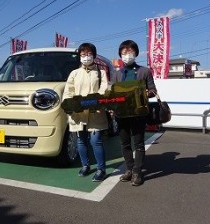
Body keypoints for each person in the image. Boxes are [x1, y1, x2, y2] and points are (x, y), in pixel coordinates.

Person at [111, 40, 157, 186]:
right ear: (120, 55)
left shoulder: (144, 71)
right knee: (124, 143)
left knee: (138, 143)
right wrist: (111, 104)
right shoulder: (117, 74)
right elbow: (113, 93)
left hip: (138, 113)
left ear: (136, 53)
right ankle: (129, 169)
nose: (127, 55)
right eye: (124, 52)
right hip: (121, 114)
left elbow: (153, 90)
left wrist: (144, 93)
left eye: (130, 52)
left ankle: (137, 171)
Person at [62, 42, 109, 182]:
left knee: (96, 141)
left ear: (94, 56)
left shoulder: (100, 73)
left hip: (95, 112)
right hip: (78, 113)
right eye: (83, 54)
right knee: (81, 141)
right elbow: (68, 91)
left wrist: (94, 101)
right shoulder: (74, 73)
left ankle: (101, 169)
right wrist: (70, 103)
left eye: (88, 54)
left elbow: (105, 89)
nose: (86, 57)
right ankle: (85, 166)